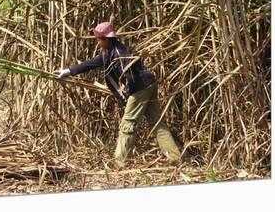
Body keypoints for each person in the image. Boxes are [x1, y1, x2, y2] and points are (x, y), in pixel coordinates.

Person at [55, 21, 181, 168]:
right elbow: (90, 63)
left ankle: (119, 163)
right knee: (156, 122)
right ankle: (175, 157)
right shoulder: (109, 52)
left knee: (128, 124)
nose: (97, 42)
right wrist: (68, 71)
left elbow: (130, 76)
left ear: (106, 39)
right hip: (148, 84)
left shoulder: (119, 53)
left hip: (140, 88)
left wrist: (128, 95)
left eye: (98, 39)